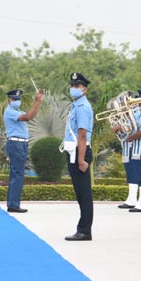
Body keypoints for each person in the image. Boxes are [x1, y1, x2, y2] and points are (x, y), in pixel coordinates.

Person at [62, 72, 94, 241]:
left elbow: (82, 134)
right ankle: (83, 228)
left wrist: (81, 159)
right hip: (74, 150)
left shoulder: (82, 107)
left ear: (85, 89)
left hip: (79, 151)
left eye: (77, 86)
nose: (73, 89)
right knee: (80, 192)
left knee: (84, 193)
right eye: (72, 86)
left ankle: (85, 230)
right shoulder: (76, 105)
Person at [3, 88, 44, 213]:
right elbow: (28, 117)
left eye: (18, 99)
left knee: (17, 173)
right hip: (16, 143)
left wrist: (38, 102)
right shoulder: (10, 111)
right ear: (9, 100)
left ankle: (13, 203)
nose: (17, 101)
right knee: (17, 174)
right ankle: (13, 204)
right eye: (14, 99)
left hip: (20, 144)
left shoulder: (16, 111)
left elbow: (30, 115)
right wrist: (37, 101)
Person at [117, 91, 141, 212]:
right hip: (130, 147)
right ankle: (132, 199)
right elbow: (128, 128)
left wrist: (128, 136)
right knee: (131, 173)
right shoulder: (132, 113)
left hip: (140, 146)